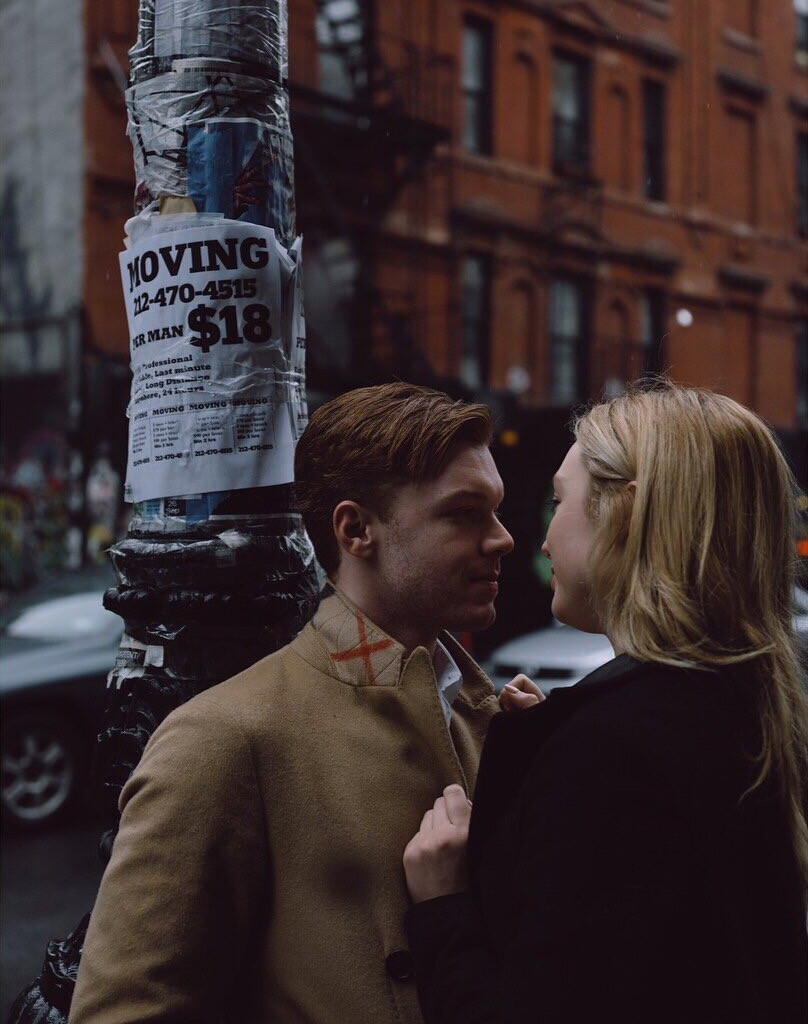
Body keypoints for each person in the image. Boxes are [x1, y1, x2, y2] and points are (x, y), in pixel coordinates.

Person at [69, 382, 516, 1024]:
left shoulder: (489, 712)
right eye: (464, 514)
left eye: (495, 511)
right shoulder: (223, 737)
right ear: (356, 530)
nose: (502, 538)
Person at [403, 382, 808, 1024]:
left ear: (625, 513)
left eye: (557, 501)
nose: (538, 541)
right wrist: (559, 745)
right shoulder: (743, 707)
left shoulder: (613, 750)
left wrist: (442, 906)